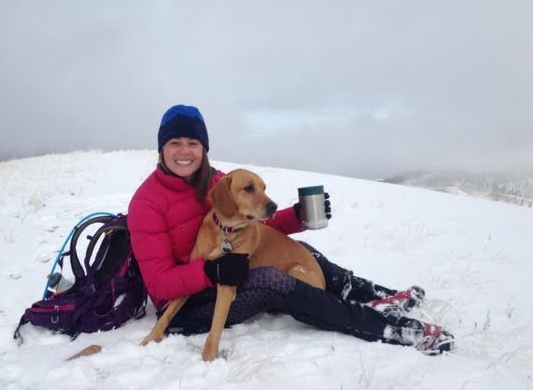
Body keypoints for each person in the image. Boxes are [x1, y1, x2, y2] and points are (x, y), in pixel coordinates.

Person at [127, 104, 455, 354]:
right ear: (162, 148)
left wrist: (297, 217)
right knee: (274, 280)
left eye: (193, 143)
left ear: (204, 148)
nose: (185, 151)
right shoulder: (147, 203)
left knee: (299, 252)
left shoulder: (215, 181)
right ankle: (390, 329)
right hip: (188, 307)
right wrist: (211, 272)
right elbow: (159, 283)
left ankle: (380, 297)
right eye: (175, 142)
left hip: (224, 272)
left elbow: (254, 228)